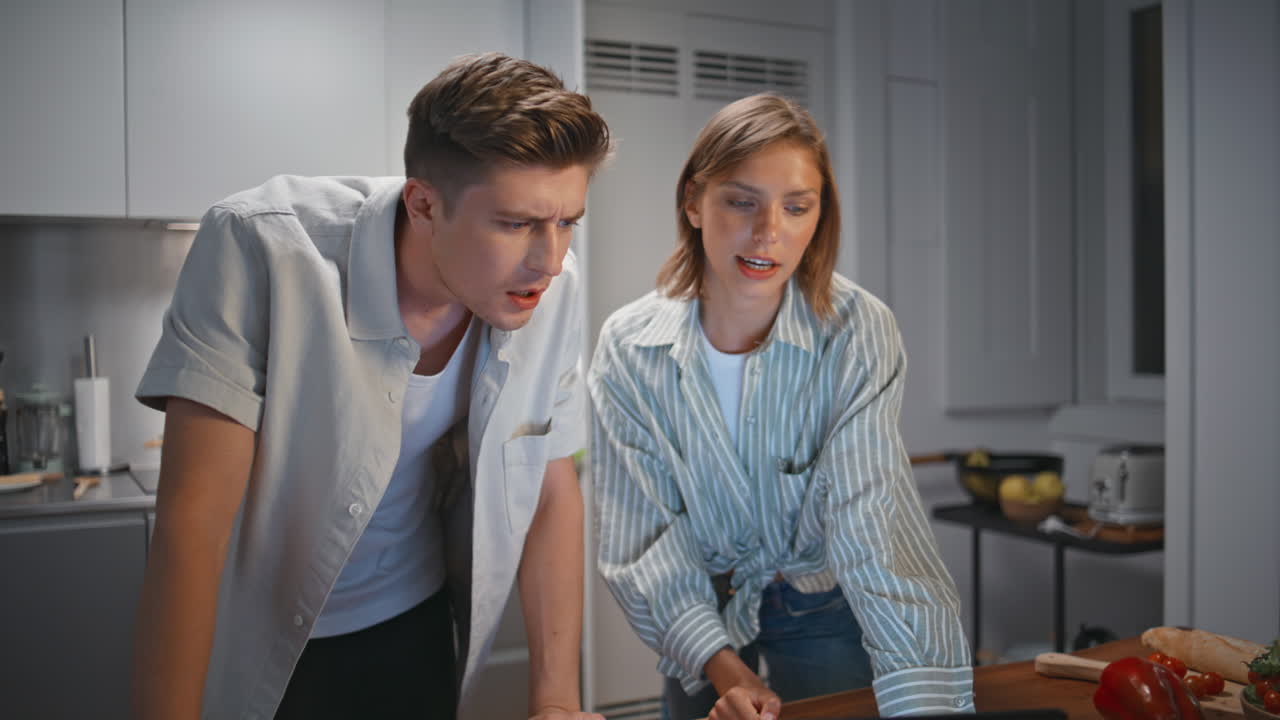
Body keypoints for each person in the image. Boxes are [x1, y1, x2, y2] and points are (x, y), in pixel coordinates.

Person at [130, 52, 611, 720]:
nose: (551, 259)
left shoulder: (550, 290)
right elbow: (193, 524)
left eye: (567, 222)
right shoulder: (261, 248)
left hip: (408, 621)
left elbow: (553, 487)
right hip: (262, 637)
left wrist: (555, 699)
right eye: (516, 223)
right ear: (423, 204)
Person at [588, 93, 974, 720]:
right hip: (698, 605)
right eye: (742, 201)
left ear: (820, 216)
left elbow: (873, 525)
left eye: (797, 207)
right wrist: (722, 667)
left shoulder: (856, 331)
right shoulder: (630, 347)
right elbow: (646, 541)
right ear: (693, 201)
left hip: (824, 605)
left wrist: (929, 702)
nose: (769, 232)